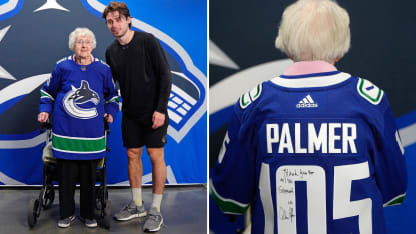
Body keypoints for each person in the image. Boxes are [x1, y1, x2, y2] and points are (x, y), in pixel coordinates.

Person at [210, 0, 408, 233]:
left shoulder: (254, 103)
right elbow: (395, 189)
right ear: (341, 44)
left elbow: (228, 196)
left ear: (285, 43)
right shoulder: (370, 101)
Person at [38, 27, 119, 228]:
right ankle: (66, 214)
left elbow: (112, 96)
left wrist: (111, 112)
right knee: (66, 175)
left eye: (87, 41)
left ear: (92, 45)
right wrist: (45, 110)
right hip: (65, 130)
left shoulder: (103, 69)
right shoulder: (62, 67)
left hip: (92, 133)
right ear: (73, 46)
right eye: (79, 42)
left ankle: (88, 214)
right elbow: (47, 91)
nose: (83, 45)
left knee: (89, 176)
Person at [102, 2, 172, 232]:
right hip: (130, 113)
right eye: (110, 21)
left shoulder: (147, 41)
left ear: (128, 19)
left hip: (154, 112)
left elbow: (165, 76)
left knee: (155, 154)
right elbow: (111, 86)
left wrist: (160, 109)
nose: (114, 25)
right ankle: (138, 205)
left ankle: (155, 210)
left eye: (118, 19)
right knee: (133, 154)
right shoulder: (110, 51)